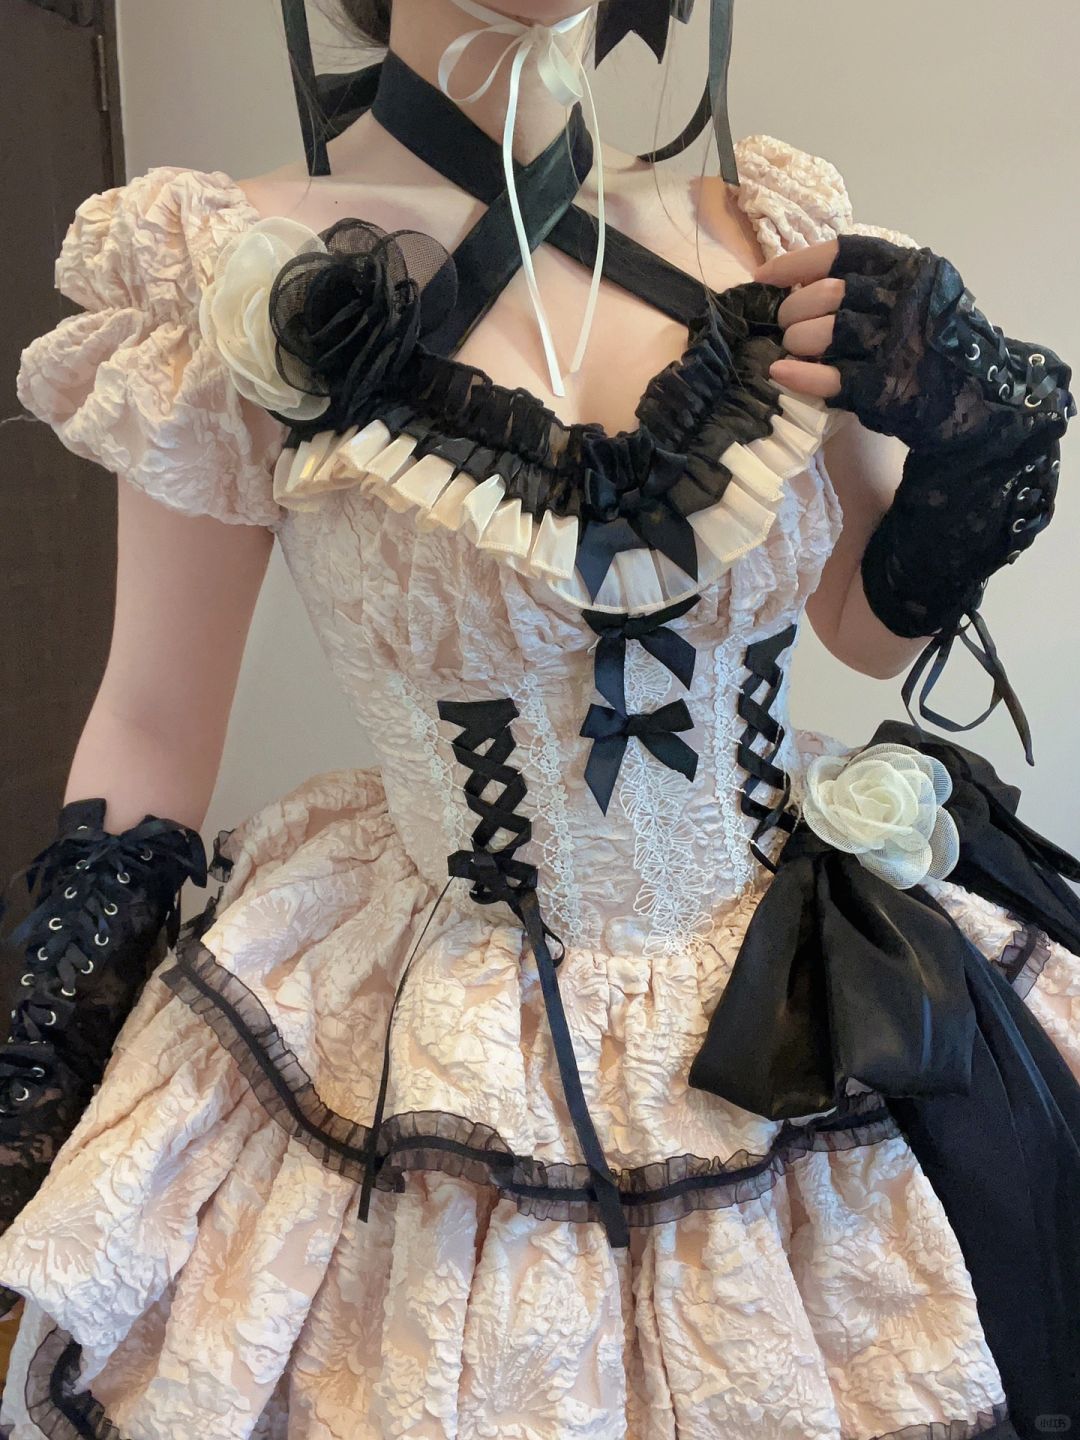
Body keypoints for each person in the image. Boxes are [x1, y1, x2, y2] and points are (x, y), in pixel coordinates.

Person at [0, 0, 1077, 1434]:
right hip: (440, 1032)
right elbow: (151, 719)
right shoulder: (227, 277)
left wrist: (978, 433)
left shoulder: (769, 234)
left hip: (805, 999)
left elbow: (868, 633)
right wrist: (46, 1067)